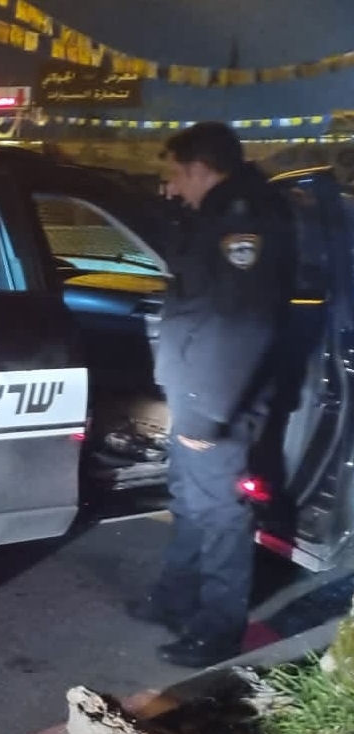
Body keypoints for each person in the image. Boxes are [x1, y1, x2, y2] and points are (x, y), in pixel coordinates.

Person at [125, 122, 296, 668]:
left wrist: (206, 415)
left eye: (176, 175)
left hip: (215, 401)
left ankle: (218, 629)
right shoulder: (215, 216)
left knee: (220, 513)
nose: (172, 186)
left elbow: (241, 325)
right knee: (189, 500)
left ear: (200, 168)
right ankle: (175, 598)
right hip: (196, 393)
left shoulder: (242, 221)